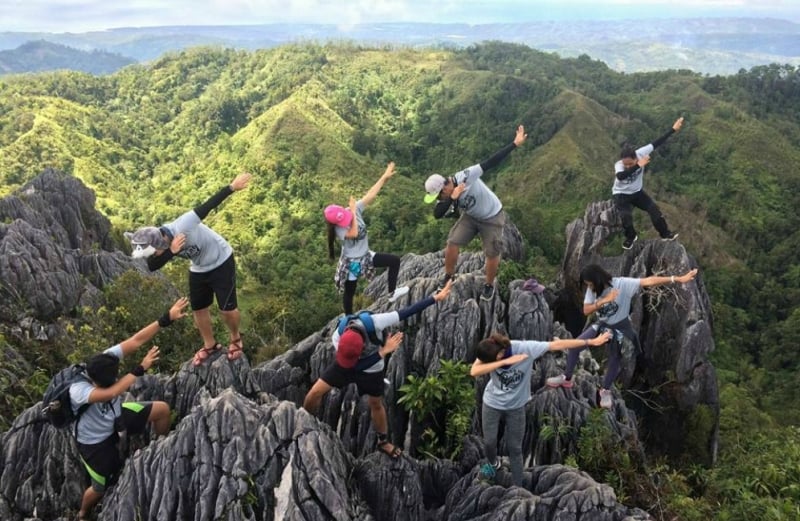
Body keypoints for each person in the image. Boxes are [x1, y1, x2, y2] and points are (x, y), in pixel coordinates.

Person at [303, 280, 453, 458]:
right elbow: (354, 365)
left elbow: (407, 311)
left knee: (376, 404)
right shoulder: (338, 335)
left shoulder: (376, 323)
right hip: (348, 365)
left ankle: (383, 442)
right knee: (314, 393)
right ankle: (306, 424)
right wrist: (382, 352)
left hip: (372, 369)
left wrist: (437, 297)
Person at [71, 297, 188, 520]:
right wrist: (141, 368)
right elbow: (111, 393)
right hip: (94, 442)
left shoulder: (104, 360)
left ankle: (160, 446)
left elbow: (136, 340)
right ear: (95, 381)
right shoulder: (78, 390)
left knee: (162, 410)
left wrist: (166, 318)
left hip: (115, 416)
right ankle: (82, 513)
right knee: (100, 485)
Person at [124, 173, 251, 366]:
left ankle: (235, 338)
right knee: (198, 309)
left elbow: (208, 206)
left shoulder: (184, 224)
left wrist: (232, 187)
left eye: (155, 252)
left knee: (227, 309)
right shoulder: (164, 248)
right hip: (199, 267)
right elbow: (152, 267)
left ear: (159, 244)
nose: (154, 256)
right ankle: (210, 345)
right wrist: (172, 251)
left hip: (221, 259)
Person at [546, 264, 699, 409]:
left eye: (590, 284)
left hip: (620, 327)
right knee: (575, 347)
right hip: (602, 324)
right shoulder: (592, 290)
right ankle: (566, 379)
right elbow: (586, 310)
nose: (589, 287)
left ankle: (604, 391)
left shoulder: (623, 284)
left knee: (615, 359)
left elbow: (648, 281)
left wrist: (677, 279)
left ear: (598, 280)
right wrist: (605, 300)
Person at [471, 331, 611, 486]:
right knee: (489, 442)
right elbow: (474, 371)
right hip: (492, 402)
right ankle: (492, 465)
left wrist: (590, 342)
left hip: (516, 406)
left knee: (515, 447)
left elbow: (556, 345)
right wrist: (505, 362)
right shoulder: (488, 350)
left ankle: (517, 486)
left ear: (500, 351)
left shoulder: (525, 348)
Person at [423, 125, 527, 301]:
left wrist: (514, 144)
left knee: (492, 253)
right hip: (471, 216)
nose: (439, 199)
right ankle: (449, 276)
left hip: (492, 216)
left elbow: (491, 162)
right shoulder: (447, 195)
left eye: (439, 195)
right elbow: (437, 214)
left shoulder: (466, 176)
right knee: (452, 243)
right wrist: (452, 198)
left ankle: (488, 284)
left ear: (445, 186)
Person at [325, 161, 409, 315]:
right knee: (350, 291)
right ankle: (349, 319)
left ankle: (392, 294)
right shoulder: (339, 229)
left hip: (365, 255)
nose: (347, 219)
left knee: (394, 261)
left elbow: (370, 194)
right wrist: (353, 212)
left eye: (346, 216)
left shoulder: (351, 210)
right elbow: (355, 233)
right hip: (351, 262)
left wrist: (384, 176)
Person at [613, 116, 684, 250]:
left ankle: (665, 234)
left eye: (630, 164)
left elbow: (657, 142)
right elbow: (621, 177)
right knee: (625, 216)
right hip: (621, 194)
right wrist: (638, 166)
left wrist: (673, 130)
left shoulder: (641, 153)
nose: (627, 166)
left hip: (637, 192)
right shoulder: (619, 165)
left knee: (654, 210)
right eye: (625, 164)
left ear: (636, 157)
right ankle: (631, 237)